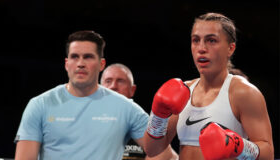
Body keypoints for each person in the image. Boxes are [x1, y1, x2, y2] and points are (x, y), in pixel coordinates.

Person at [14, 30, 175, 159]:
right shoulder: (40, 105)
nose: (81, 63)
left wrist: (165, 116)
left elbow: (164, 153)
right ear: (66, 64)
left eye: (88, 57)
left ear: (101, 64)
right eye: (75, 57)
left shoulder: (125, 108)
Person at [143, 12, 274, 160]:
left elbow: (268, 153)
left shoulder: (243, 92)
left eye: (211, 40)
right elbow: (152, 149)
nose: (201, 48)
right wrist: (157, 116)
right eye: (196, 40)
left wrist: (238, 146)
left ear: (230, 48)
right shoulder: (184, 91)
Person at [100, 63, 178, 160]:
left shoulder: (140, 120)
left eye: (120, 81)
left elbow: (168, 155)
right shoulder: (87, 118)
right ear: (100, 88)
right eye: (108, 81)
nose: (113, 86)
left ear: (132, 90)